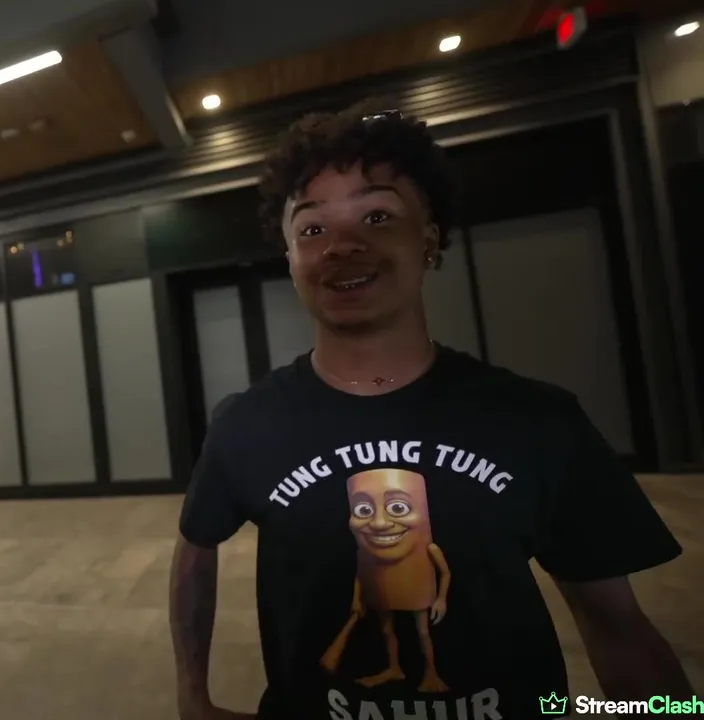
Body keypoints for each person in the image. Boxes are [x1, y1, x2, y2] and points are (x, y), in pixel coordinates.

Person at [169, 104, 693, 720]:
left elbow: (617, 625)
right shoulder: (246, 423)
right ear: (289, 259)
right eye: (311, 229)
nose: (341, 246)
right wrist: (193, 697)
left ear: (429, 240)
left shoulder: (537, 422)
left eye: (377, 216)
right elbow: (195, 549)